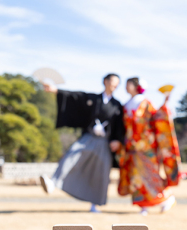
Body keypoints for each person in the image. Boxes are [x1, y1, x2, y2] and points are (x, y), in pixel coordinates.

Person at [40, 74, 125, 212]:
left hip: (104, 142)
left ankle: (95, 204)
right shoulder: (93, 98)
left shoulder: (117, 105)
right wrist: (55, 90)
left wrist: (117, 140)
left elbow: (120, 126)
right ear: (105, 81)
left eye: (117, 83)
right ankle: (53, 182)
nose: (114, 85)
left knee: (101, 171)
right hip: (89, 137)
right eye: (112, 81)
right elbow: (75, 96)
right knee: (72, 155)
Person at [118, 77, 181, 215]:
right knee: (136, 178)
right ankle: (143, 206)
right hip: (132, 147)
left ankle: (166, 199)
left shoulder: (145, 103)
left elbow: (156, 117)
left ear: (136, 86)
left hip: (147, 147)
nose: (126, 87)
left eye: (129, 84)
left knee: (152, 176)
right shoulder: (127, 104)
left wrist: (164, 105)